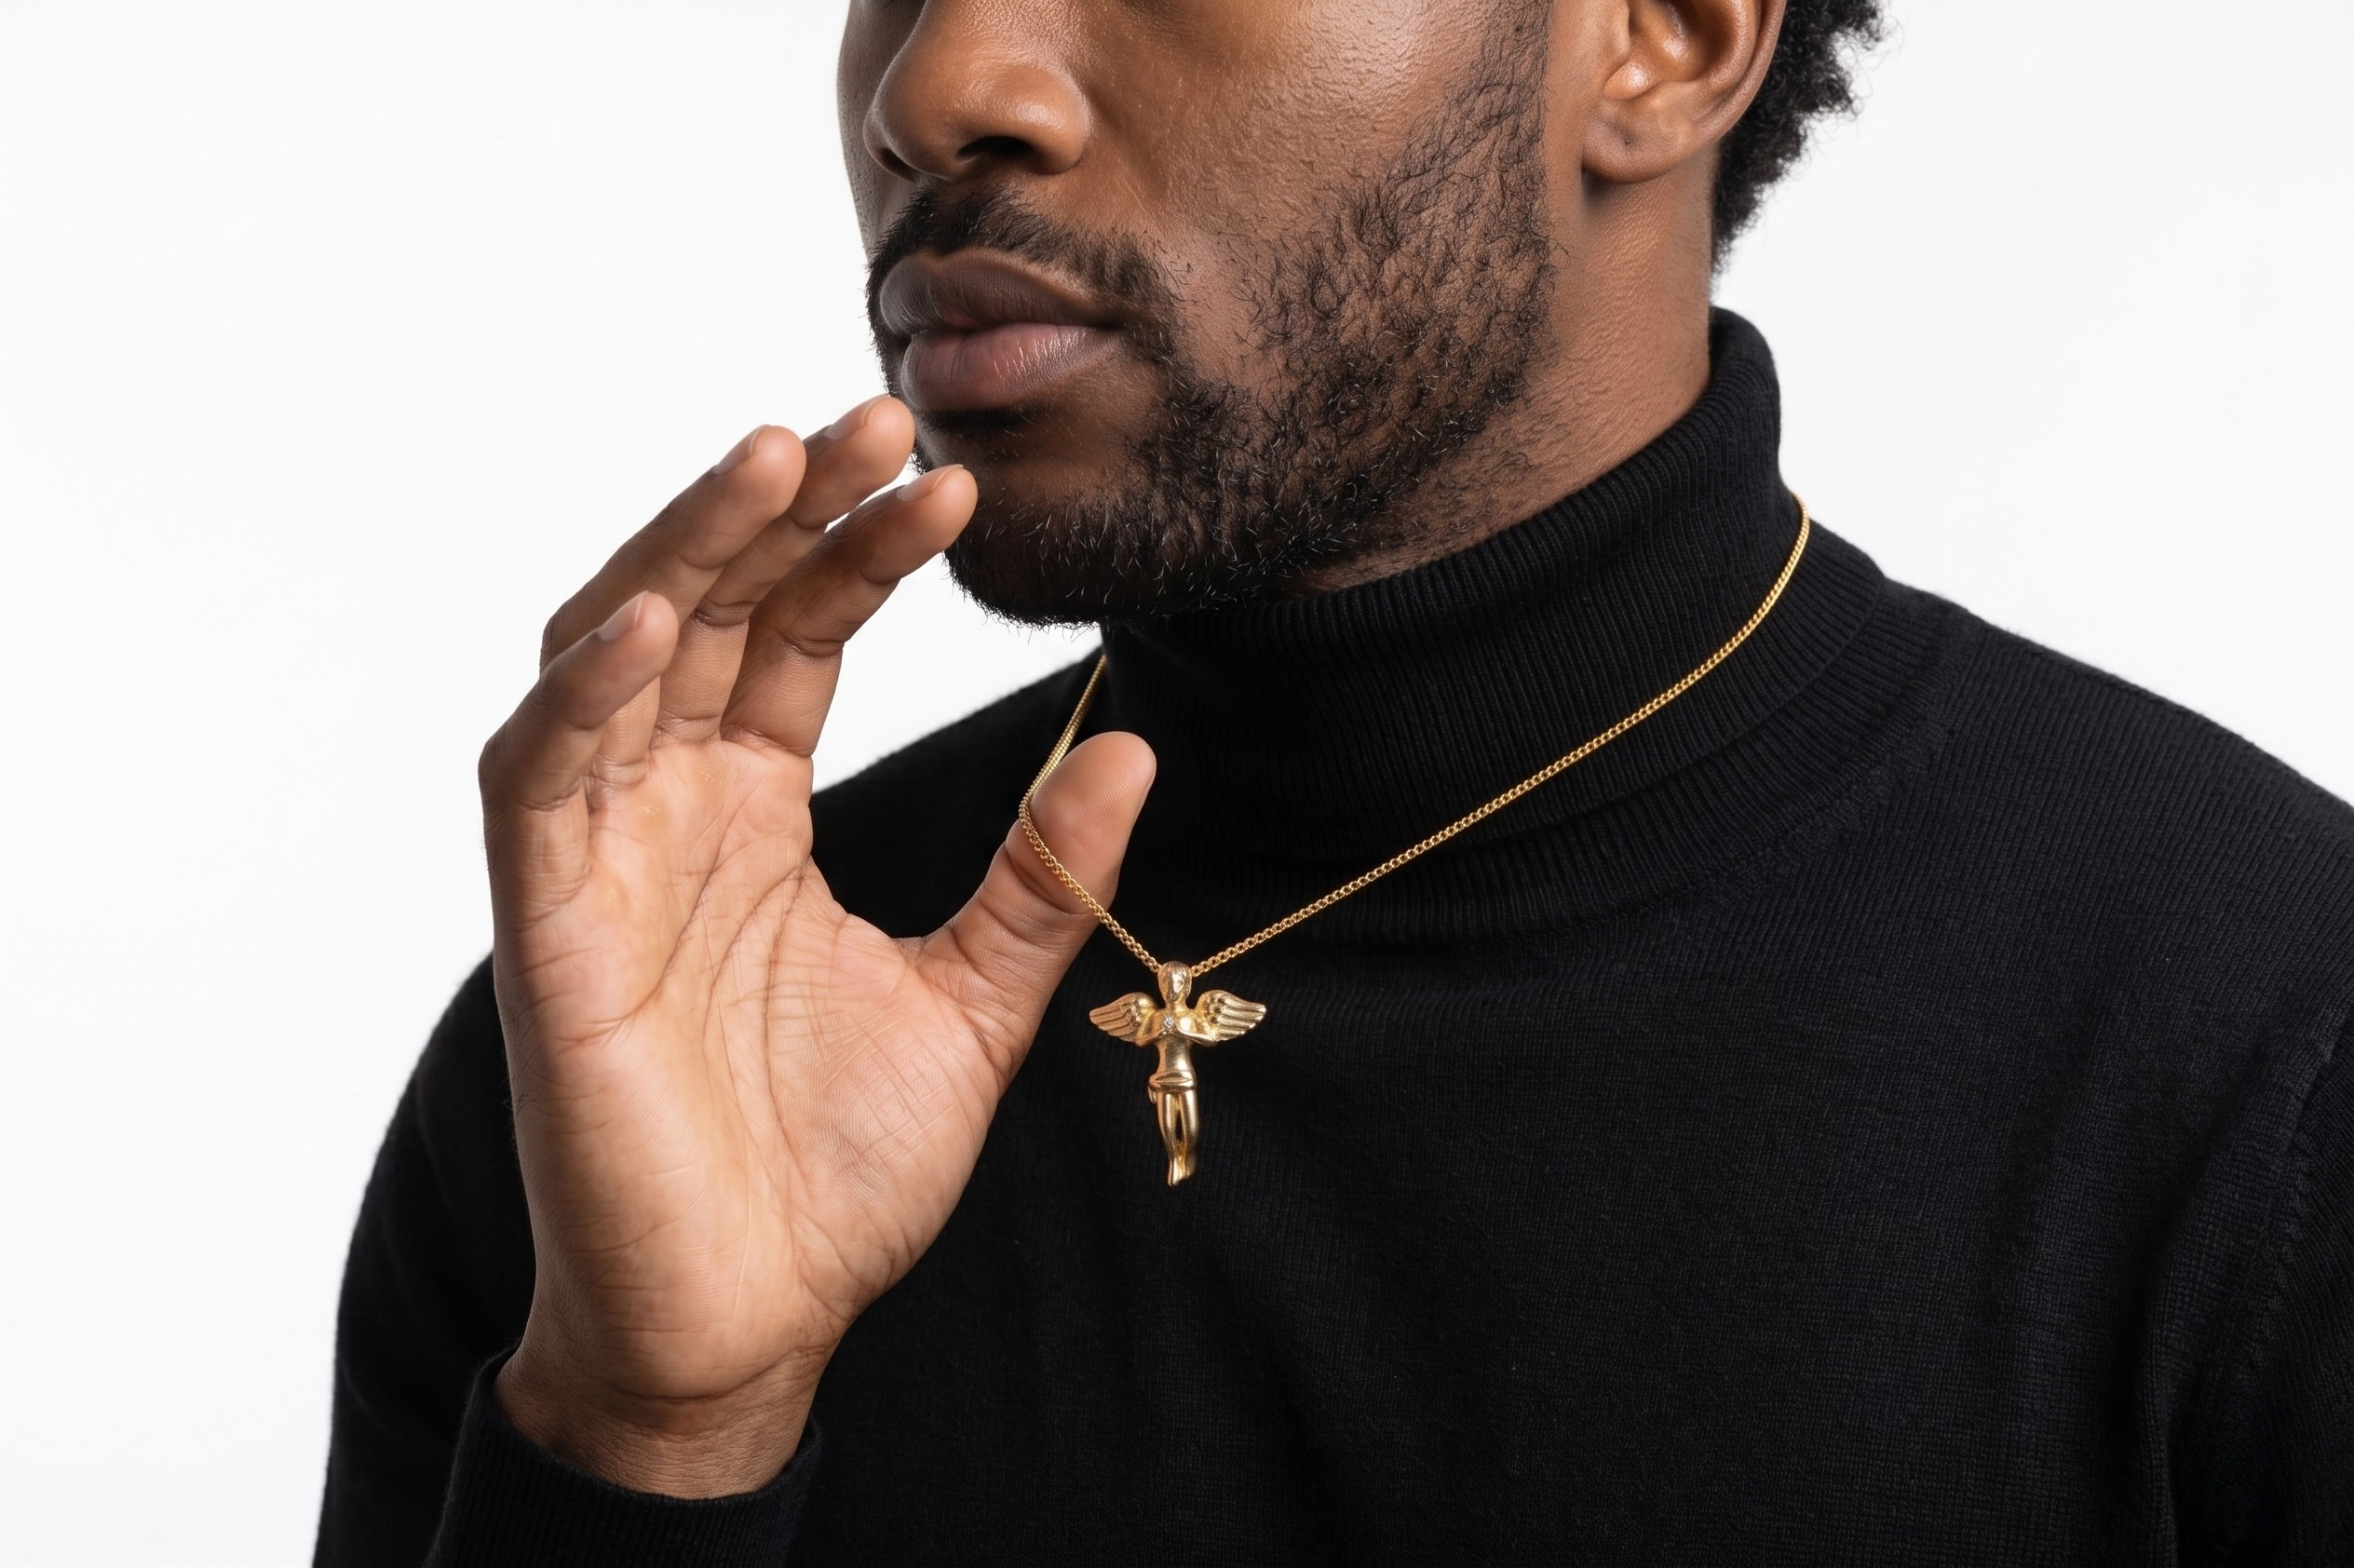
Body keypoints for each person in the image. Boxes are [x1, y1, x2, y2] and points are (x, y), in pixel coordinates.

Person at [315, 2, 2354, 1562]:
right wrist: (650, 1442)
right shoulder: (646, 1058)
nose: (938, 86)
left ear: (1664, 38)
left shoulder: (2264, 1057)